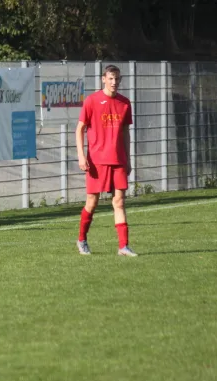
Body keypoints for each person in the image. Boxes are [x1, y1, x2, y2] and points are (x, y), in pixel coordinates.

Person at [75, 64, 138, 257]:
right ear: (103, 79)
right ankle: (81, 239)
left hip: (118, 160)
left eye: (117, 79)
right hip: (97, 161)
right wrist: (81, 155)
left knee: (119, 201)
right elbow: (80, 129)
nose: (114, 82)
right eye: (110, 78)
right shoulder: (92, 101)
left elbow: (126, 133)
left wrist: (128, 159)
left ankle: (123, 246)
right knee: (92, 202)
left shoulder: (125, 103)